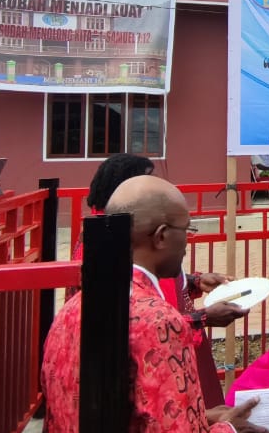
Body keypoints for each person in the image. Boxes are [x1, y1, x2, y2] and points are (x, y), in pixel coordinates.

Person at [42, 175, 269, 433]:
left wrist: (200, 419)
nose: (188, 243)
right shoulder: (159, 321)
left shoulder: (72, 309)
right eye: (187, 230)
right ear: (162, 236)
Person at [76, 153, 247, 409]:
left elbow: (148, 283)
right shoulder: (101, 248)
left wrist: (194, 282)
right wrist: (202, 318)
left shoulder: (128, 237)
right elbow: (140, 328)